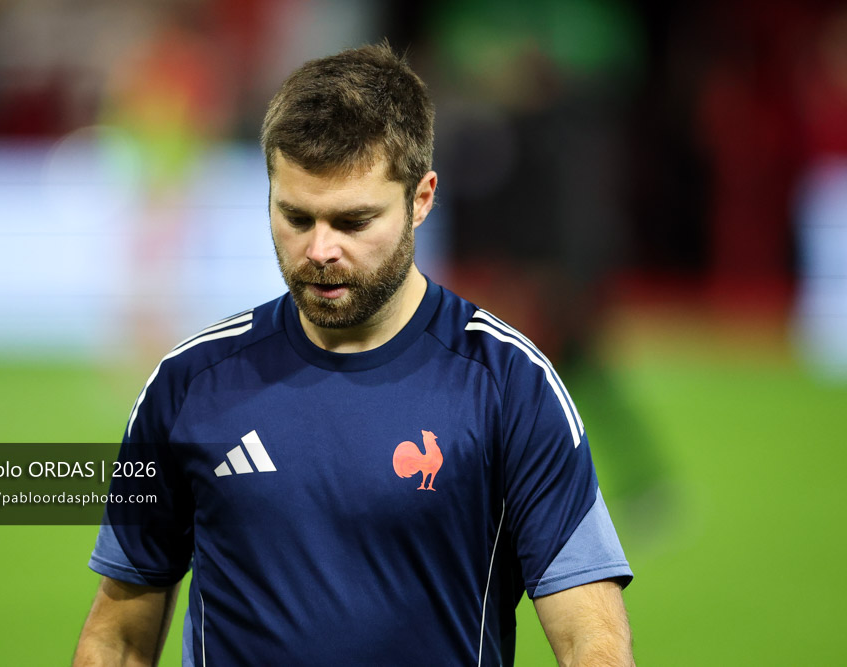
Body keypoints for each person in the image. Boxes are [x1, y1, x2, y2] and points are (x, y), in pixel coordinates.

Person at [74, 42, 634, 666]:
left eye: (352, 222)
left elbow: (590, 636)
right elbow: (120, 636)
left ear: (422, 199)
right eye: (296, 216)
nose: (319, 249)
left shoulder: (510, 385)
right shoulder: (188, 387)